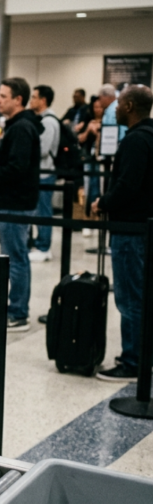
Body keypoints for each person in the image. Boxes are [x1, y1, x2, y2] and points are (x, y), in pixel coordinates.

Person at [92, 85, 153, 381]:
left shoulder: (134, 142)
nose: (113, 109)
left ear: (129, 107)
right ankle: (143, 357)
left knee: (129, 298)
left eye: (118, 104)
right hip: (144, 228)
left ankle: (132, 361)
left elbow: (127, 186)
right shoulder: (150, 137)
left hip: (130, 230)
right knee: (141, 294)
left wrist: (102, 202)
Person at [0, 77, 42, 331]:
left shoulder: (22, 128)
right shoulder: (19, 126)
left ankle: (18, 312)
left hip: (15, 203)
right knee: (14, 256)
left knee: (16, 258)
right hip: (13, 201)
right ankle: (15, 308)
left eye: (3, 96)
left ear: (18, 99)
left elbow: (17, 168)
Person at [28, 85, 60, 262]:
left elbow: (43, 149)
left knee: (43, 211)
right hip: (40, 173)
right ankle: (41, 243)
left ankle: (44, 247)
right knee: (39, 211)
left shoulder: (48, 122)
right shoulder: (42, 119)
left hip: (45, 173)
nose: (31, 101)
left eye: (34, 97)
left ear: (43, 100)